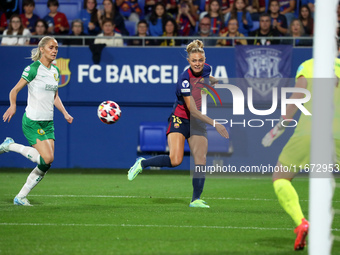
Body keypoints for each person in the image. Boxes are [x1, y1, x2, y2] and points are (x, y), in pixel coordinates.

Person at [127, 39, 229, 208]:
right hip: (180, 118)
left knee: (201, 160)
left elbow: (206, 77)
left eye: (200, 60)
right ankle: (142, 163)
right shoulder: (184, 80)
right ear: (188, 61)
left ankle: (196, 199)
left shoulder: (207, 69)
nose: (198, 64)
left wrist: (213, 81)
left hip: (197, 123)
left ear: (204, 60)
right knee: (175, 160)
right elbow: (193, 110)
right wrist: (215, 123)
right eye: (194, 61)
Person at [261, 50, 340, 251]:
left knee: (280, 177)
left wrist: (277, 130)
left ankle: (301, 222)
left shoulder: (308, 66)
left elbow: (296, 100)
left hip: (309, 132)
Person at [1, 36, 73, 206]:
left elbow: (55, 96)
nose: (54, 50)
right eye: (51, 47)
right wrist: (13, 105)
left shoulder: (55, 71)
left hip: (48, 122)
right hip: (33, 121)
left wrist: (65, 113)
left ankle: (20, 195)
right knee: (47, 158)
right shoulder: (33, 69)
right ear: (42, 49)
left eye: (56, 48)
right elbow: (14, 90)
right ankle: (20, 194)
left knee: (46, 161)